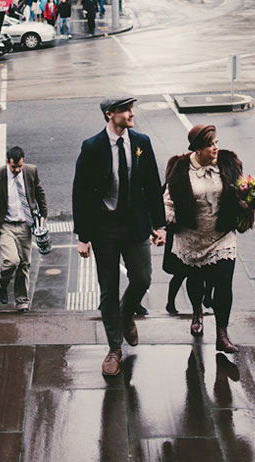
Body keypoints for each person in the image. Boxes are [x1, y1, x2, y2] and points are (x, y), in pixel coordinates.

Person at [73, 97, 166, 377]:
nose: (131, 114)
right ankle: (114, 348)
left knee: (142, 278)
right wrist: (83, 235)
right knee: (108, 288)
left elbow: (152, 184)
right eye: (126, 110)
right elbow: (81, 193)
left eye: (131, 109)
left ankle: (126, 315)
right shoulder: (92, 147)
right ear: (109, 114)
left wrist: (159, 225)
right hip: (105, 229)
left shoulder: (141, 142)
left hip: (135, 224)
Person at [163, 124, 250, 354]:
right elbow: (168, 199)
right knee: (195, 282)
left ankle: (222, 334)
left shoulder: (228, 163)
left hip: (221, 235)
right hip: (191, 236)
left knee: (224, 284)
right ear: (198, 149)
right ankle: (197, 312)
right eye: (211, 145)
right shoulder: (180, 167)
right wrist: (167, 221)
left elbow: (241, 191)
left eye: (216, 143)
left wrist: (248, 202)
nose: (216, 148)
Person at [0, 146, 47, 313]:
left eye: (20, 166)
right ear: (8, 162)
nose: (17, 170)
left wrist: (43, 214)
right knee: (11, 261)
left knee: (24, 263)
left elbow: (39, 192)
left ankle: (22, 301)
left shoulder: (31, 171)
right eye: (14, 167)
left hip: (24, 224)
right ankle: (1, 283)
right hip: (5, 225)